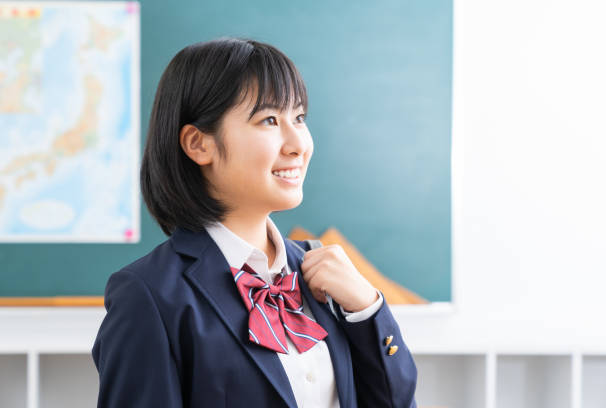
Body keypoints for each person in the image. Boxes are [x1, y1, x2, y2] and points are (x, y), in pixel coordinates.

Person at [92, 37, 417, 408]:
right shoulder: (150, 295)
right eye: (269, 120)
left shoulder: (322, 273)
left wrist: (366, 309)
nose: (298, 143)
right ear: (199, 144)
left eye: (298, 118)